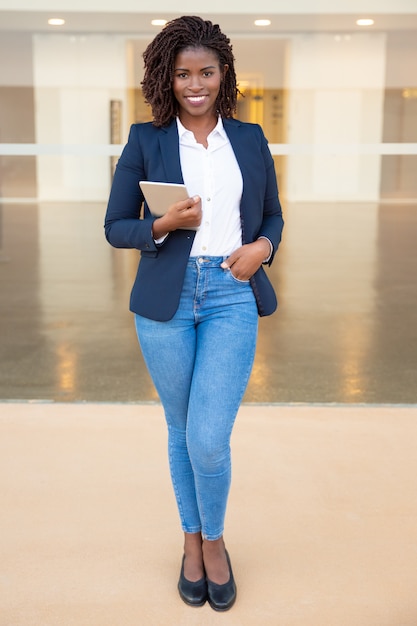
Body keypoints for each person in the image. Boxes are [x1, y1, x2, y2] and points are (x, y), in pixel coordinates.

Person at [104, 15, 284, 612]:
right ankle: (193, 543)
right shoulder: (145, 139)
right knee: (180, 429)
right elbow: (115, 227)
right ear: (167, 77)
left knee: (208, 437)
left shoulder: (251, 138)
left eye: (206, 71)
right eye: (183, 73)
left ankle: (215, 538)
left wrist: (264, 248)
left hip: (232, 290)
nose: (195, 83)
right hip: (167, 300)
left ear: (224, 73)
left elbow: (273, 216)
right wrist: (164, 224)